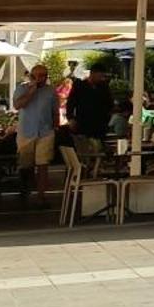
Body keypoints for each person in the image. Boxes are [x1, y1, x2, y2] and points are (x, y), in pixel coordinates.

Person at [13, 65, 58, 203]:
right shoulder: (22, 88)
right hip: (26, 131)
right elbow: (17, 105)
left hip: (45, 132)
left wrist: (56, 126)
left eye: (44, 75)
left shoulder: (50, 91)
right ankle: (25, 192)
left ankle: (41, 196)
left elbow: (55, 110)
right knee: (25, 165)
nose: (40, 79)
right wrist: (31, 91)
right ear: (31, 76)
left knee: (43, 164)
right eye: (37, 76)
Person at [66, 66, 114, 147]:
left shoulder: (104, 88)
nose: (101, 79)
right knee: (84, 148)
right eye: (100, 76)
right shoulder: (80, 86)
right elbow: (70, 103)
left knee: (99, 148)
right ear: (92, 74)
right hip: (82, 123)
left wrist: (107, 117)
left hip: (100, 125)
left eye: (103, 76)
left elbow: (109, 104)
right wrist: (70, 118)